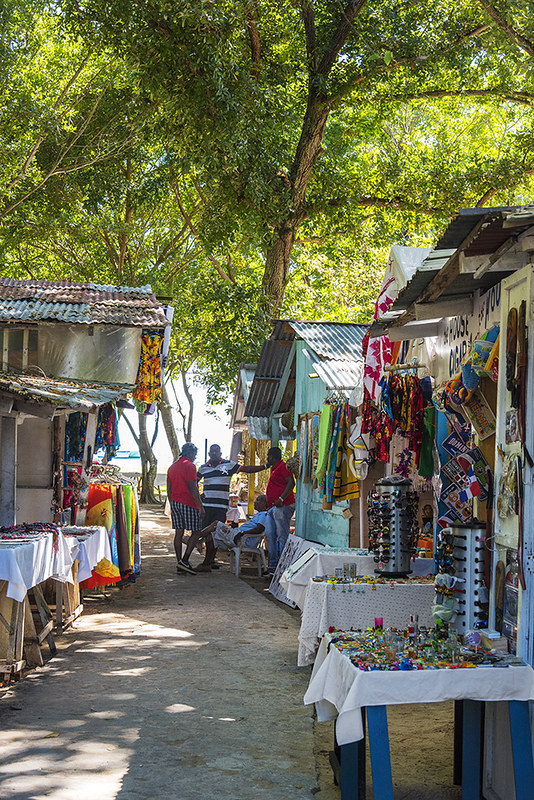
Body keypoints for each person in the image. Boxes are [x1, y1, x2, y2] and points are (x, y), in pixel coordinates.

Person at [196, 443, 262, 568]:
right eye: (212, 452)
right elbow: (194, 482)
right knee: (206, 532)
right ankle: (208, 560)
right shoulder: (203, 468)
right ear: (209, 454)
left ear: (220, 453)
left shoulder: (228, 465)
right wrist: (199, 497)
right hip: (207, 506)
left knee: (215, 533)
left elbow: (246, 469)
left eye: (217, 451)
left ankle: (210, 561)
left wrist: (264, 467)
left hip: (220, 507)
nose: (214, 453)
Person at [192, 495, 274, 573]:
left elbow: (259, 529)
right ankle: (206, 565)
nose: (255, 502)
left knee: (216, 524)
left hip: (242, 539)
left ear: (264, 503)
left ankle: (196, 538)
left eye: (258, 500)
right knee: (211, 537)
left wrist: (242, 533)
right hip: (238, 535)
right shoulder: (259, 515)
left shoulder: (264, 515)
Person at [167, 442, 204, 574]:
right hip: (188, 502)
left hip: (175, 502)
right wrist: (200, 505)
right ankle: (185, 560)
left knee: (179, 532)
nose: (195, 457)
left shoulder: (172, 467)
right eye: (195, 454)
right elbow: (193, 486)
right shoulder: (190, 466)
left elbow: (169, 489)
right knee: (197, 531)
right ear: (190, 453)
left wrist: (172, 503)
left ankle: (180, 563)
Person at [264, 446, 295, 571]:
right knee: (270, 534)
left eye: (268, 456)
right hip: (272, 507)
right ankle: (273, 564)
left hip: (283, 505)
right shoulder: (274, 469)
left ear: (271, 456)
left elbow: (291, 483)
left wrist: (281, 499)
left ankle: (282, 565)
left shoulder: (283, 467)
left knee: (282, 535)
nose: (267, 459)